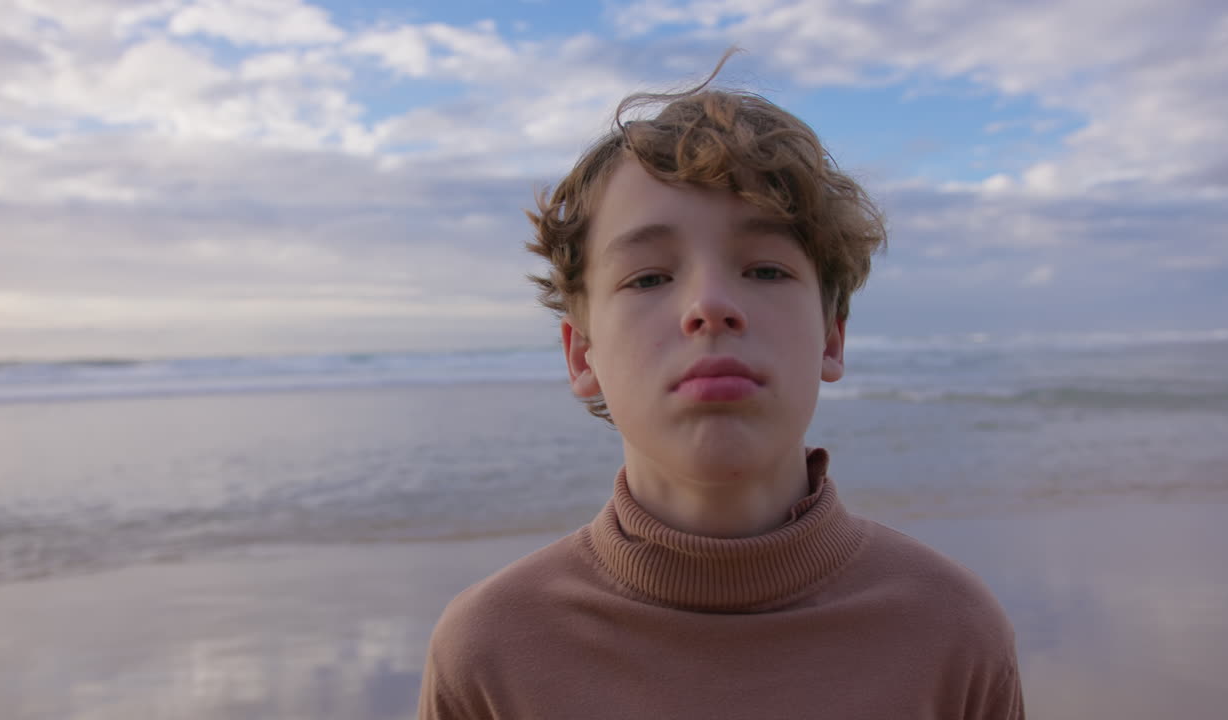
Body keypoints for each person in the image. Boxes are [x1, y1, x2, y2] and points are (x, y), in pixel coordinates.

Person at [418, 52, 1024, 719]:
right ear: (581, 355)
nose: (708, 305)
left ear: (832, 336)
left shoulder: (950, 632)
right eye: (648, 278)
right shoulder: (490, 654)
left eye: (765, 271)